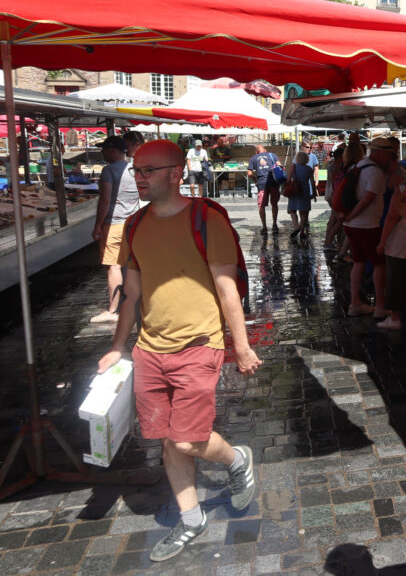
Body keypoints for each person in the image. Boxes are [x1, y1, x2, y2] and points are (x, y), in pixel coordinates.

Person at [96, 140, 261, 563]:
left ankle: (237, 459)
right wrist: (118, 348)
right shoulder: (132, 227)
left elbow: (227, 288)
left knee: (185, 441)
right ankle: (191, 519)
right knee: (166, 441)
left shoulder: (206, 220)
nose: (139, 177)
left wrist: (240, 346)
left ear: (177, 172)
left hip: (199, 345)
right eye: (136, 170)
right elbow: (131, 296)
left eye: (148, 169)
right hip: (150, 349)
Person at [342, 137, 395, 316]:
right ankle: (380, 307)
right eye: (389, 154)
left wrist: (348, 217)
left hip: (352, 225)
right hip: (367, 225)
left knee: (358, 262)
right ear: (379, 153)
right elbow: (368, 198)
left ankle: (355, 303)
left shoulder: (359, 165)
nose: (390, 158)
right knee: (379, 264)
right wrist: (353, 214)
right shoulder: (375, 172)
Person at [90, 136, 137, 323]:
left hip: (115, 223)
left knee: (114, 266)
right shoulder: (135, 169)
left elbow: (105, 199)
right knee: (132, 265)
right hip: (134, 222)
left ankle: (113, 309)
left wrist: (98, 225)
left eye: (104, 149)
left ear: (113, 150)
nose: (102, 153)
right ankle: (135, 301)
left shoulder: (109, 171)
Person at [377, 137, 406, 331]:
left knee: (395, 281)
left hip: (398, 241)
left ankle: (395, 318)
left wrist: (382, 242)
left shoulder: (401, 189)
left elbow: (392, 218)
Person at [247, 144, 281, 233]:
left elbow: (249, 173)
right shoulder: (272, 155)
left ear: (256, 152)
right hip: (274, 183)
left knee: (261, 206)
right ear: (265, 150)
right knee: (274, 204)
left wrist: (255, 179)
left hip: (262, 184)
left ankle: (264, 227)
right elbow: (280, 166)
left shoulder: (254, 158)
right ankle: (274, 224)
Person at [286, 151, 315, 239]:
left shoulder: (293, 167)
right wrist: (314, 193)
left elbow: (288, 180)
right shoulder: (309, 169)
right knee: (304, 212)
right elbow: (312, 182)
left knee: (292, 210)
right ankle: (302, 232)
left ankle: (296, 227)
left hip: (294, 190)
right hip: (305, 191)